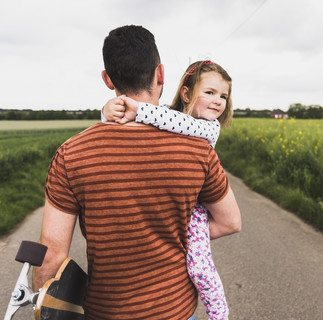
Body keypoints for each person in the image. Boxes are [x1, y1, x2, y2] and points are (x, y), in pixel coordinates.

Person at [32, 26, 241, 320]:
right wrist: (179, 237)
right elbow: (231, 222)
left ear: (107, 79)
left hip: (106, 312)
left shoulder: (71, 154)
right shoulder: (199, 151)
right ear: (161, 75)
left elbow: (50, 258)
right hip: (176, 310)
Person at [102, 60, 233, 319]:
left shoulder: (207, 128)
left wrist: (137, 110)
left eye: (224, 96)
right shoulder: (163, 114)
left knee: (199, 268)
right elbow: (130, 119)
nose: (218, 101)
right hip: (167, 202)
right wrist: (108, 110)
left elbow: (172, 122)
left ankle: (220, 314)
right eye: (210, 92)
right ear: (186, 93)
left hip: (195, 210)